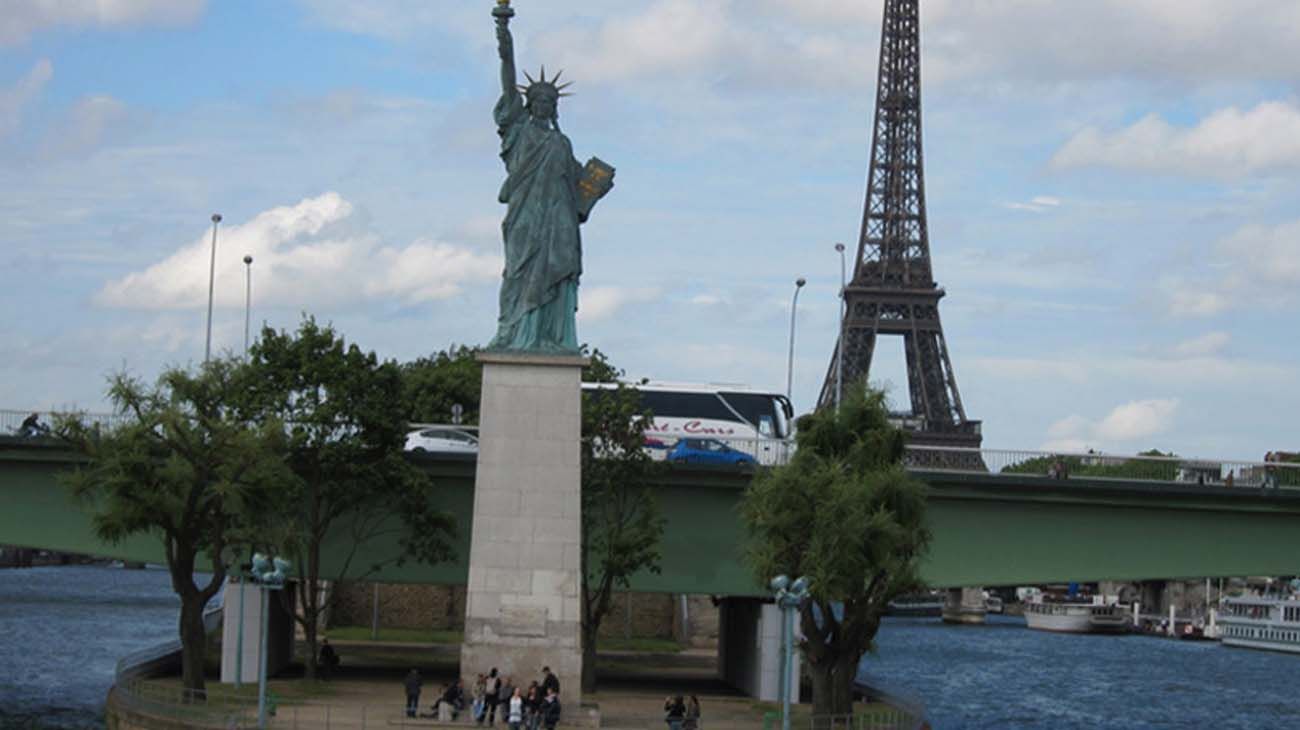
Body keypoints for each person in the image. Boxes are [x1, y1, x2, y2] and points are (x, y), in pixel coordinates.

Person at [488, 3, 613, 353]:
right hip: (525, 221)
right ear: (529, 104)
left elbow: (579, 190)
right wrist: (503, 33)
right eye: (538, 99)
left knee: (559, 276)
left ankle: (554, 337)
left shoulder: (561, 142)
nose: (543, 104)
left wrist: (597, 185)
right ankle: (512, 332)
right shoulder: (517, 130)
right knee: (517, 275)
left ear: (555, 107)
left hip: (559, 225)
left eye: (549, 100)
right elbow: (508, 77)